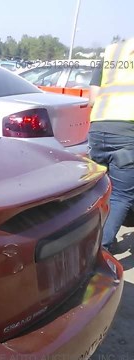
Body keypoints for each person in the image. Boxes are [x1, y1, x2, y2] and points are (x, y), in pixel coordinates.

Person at [88, 37, 134, 251]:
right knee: (121, 195)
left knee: (100, 189)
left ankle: (87, 240)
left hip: (98, 129)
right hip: (127, 133)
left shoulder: (113, 51)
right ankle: (100, 250)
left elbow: (92, 97)